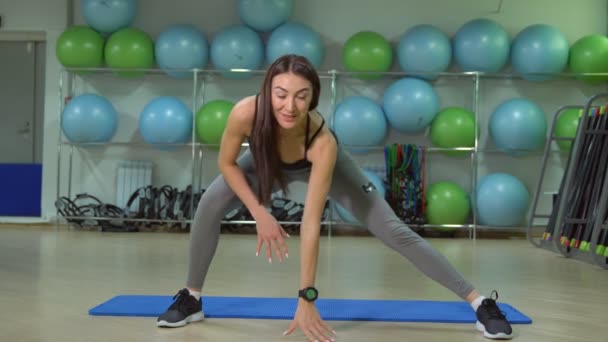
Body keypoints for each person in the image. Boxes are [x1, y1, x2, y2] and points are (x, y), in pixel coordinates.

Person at [156, 54, 514, 341]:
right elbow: (226, 163)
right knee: (209, 203)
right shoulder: (246, 112)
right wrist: (259, 211)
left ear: (313, 98)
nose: (289, 106)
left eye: (301, 96)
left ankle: (479, 302)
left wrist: (306, 297)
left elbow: (311, 222)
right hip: (266, 162)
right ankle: (192, 297)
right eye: (281, 94)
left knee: (392, 229)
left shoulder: (322, 141)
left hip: (318, 164)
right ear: (268, 91)